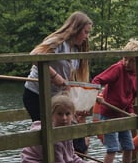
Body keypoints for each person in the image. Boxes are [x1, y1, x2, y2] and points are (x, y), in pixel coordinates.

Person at [23, 11, 93, 153]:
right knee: (48, 135)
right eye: (85, 32)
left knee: (75, 137)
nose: (86, 37)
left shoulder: (74, 51)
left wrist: (78, 105)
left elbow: (69, 82)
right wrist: (55, 76)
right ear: (76, 29)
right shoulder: (58, 42)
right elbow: (34, 55)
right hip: (36, 94)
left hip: (56, 97)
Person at [19, 94, 106, 163]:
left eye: (67, 114)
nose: (64, 118)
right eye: (59, 114)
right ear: (51, 115)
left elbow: (72, 158)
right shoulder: (52, 138)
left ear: (73, 115)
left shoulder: (64, 131)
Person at [91, 39, 138, 163]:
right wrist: (96, 94)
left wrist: (130, 111)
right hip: (108, 114)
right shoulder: (117, 68)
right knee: (112, 148)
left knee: (129, 146)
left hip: (121, 115)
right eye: (125, 58)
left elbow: (130, 97)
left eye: (132, 61)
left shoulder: (137, 76)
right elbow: (97, 80)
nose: (127, 63)